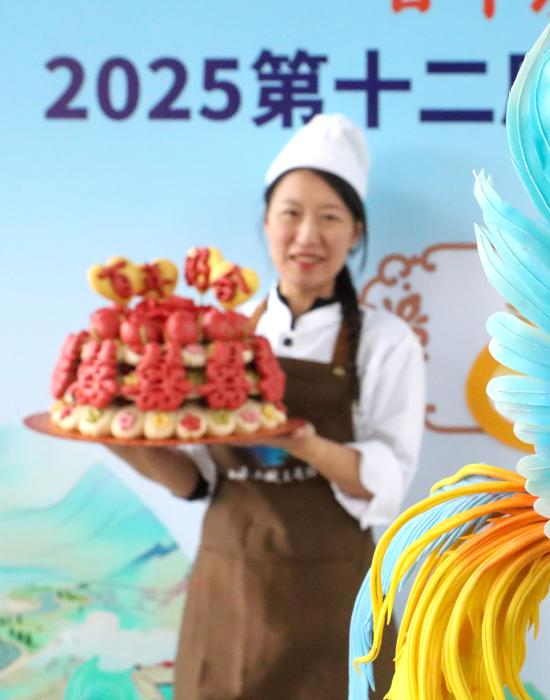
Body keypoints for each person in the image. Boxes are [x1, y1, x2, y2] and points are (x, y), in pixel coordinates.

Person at [108, 114, 426, 699]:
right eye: (291, 213)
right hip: (228, 593)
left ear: (355, 232)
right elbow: (198, 481)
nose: (308, 235)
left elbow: (387, 481)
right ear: (266, 222)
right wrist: (118, 438)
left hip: (334, 597)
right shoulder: (220, 332)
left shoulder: (386, 342)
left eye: (329, 217)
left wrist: (304, 443)